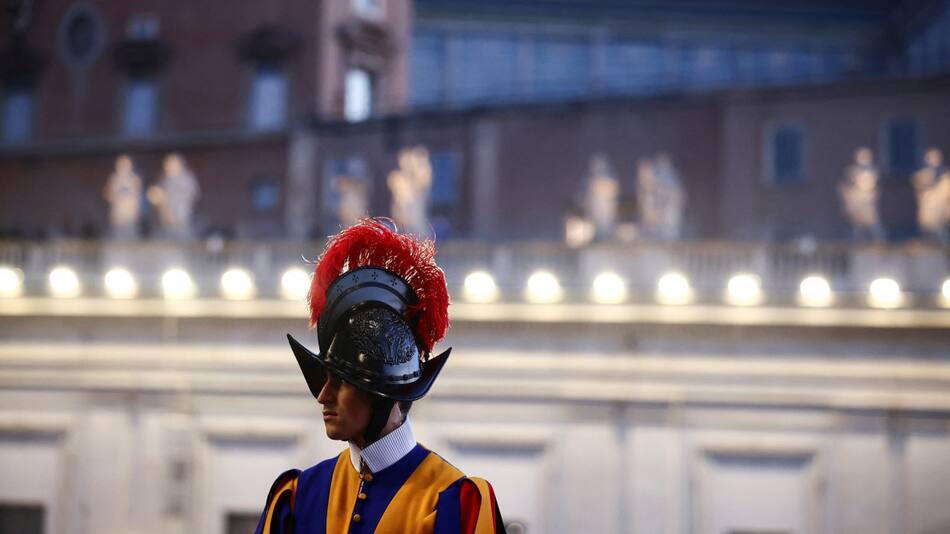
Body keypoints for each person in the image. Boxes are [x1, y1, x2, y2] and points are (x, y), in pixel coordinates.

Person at [255, 219, 505, 534]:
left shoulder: (451, 503)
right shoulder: (298, 496)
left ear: (384, 395)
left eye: (342, 381)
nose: (322, 395)